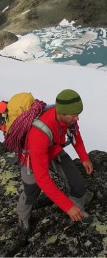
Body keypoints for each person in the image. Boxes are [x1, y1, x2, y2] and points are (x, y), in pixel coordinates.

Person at [17, 89, 94, 235]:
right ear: (61, 113)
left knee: (78, 185)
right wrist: (66, 206)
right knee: (31, 193)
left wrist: (84, 158)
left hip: (54, 149)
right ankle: (22, 217)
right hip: (32, 160)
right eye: (74, 115)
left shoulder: (67, 119)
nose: (77, 119)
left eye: (78, 114)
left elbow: (75, 135)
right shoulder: (39, 133)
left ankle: (77, 212)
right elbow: (42, 178)